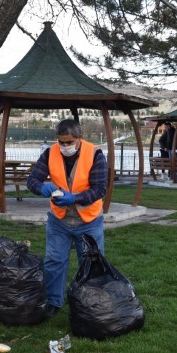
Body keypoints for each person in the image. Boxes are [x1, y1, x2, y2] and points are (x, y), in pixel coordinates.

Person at [26, 119, 108, 318]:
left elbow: (100, 189)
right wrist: (41, 187)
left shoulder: (95, 154)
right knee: (54, 261)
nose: (64, 146)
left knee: (90, 263)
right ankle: (53, 302)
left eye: (68, 142)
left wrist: (76, 198)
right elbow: (32, 180)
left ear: (79, 138)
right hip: (59, 219)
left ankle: (90, 304)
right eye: (60, 142)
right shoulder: (49, 153)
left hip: (88, 220)